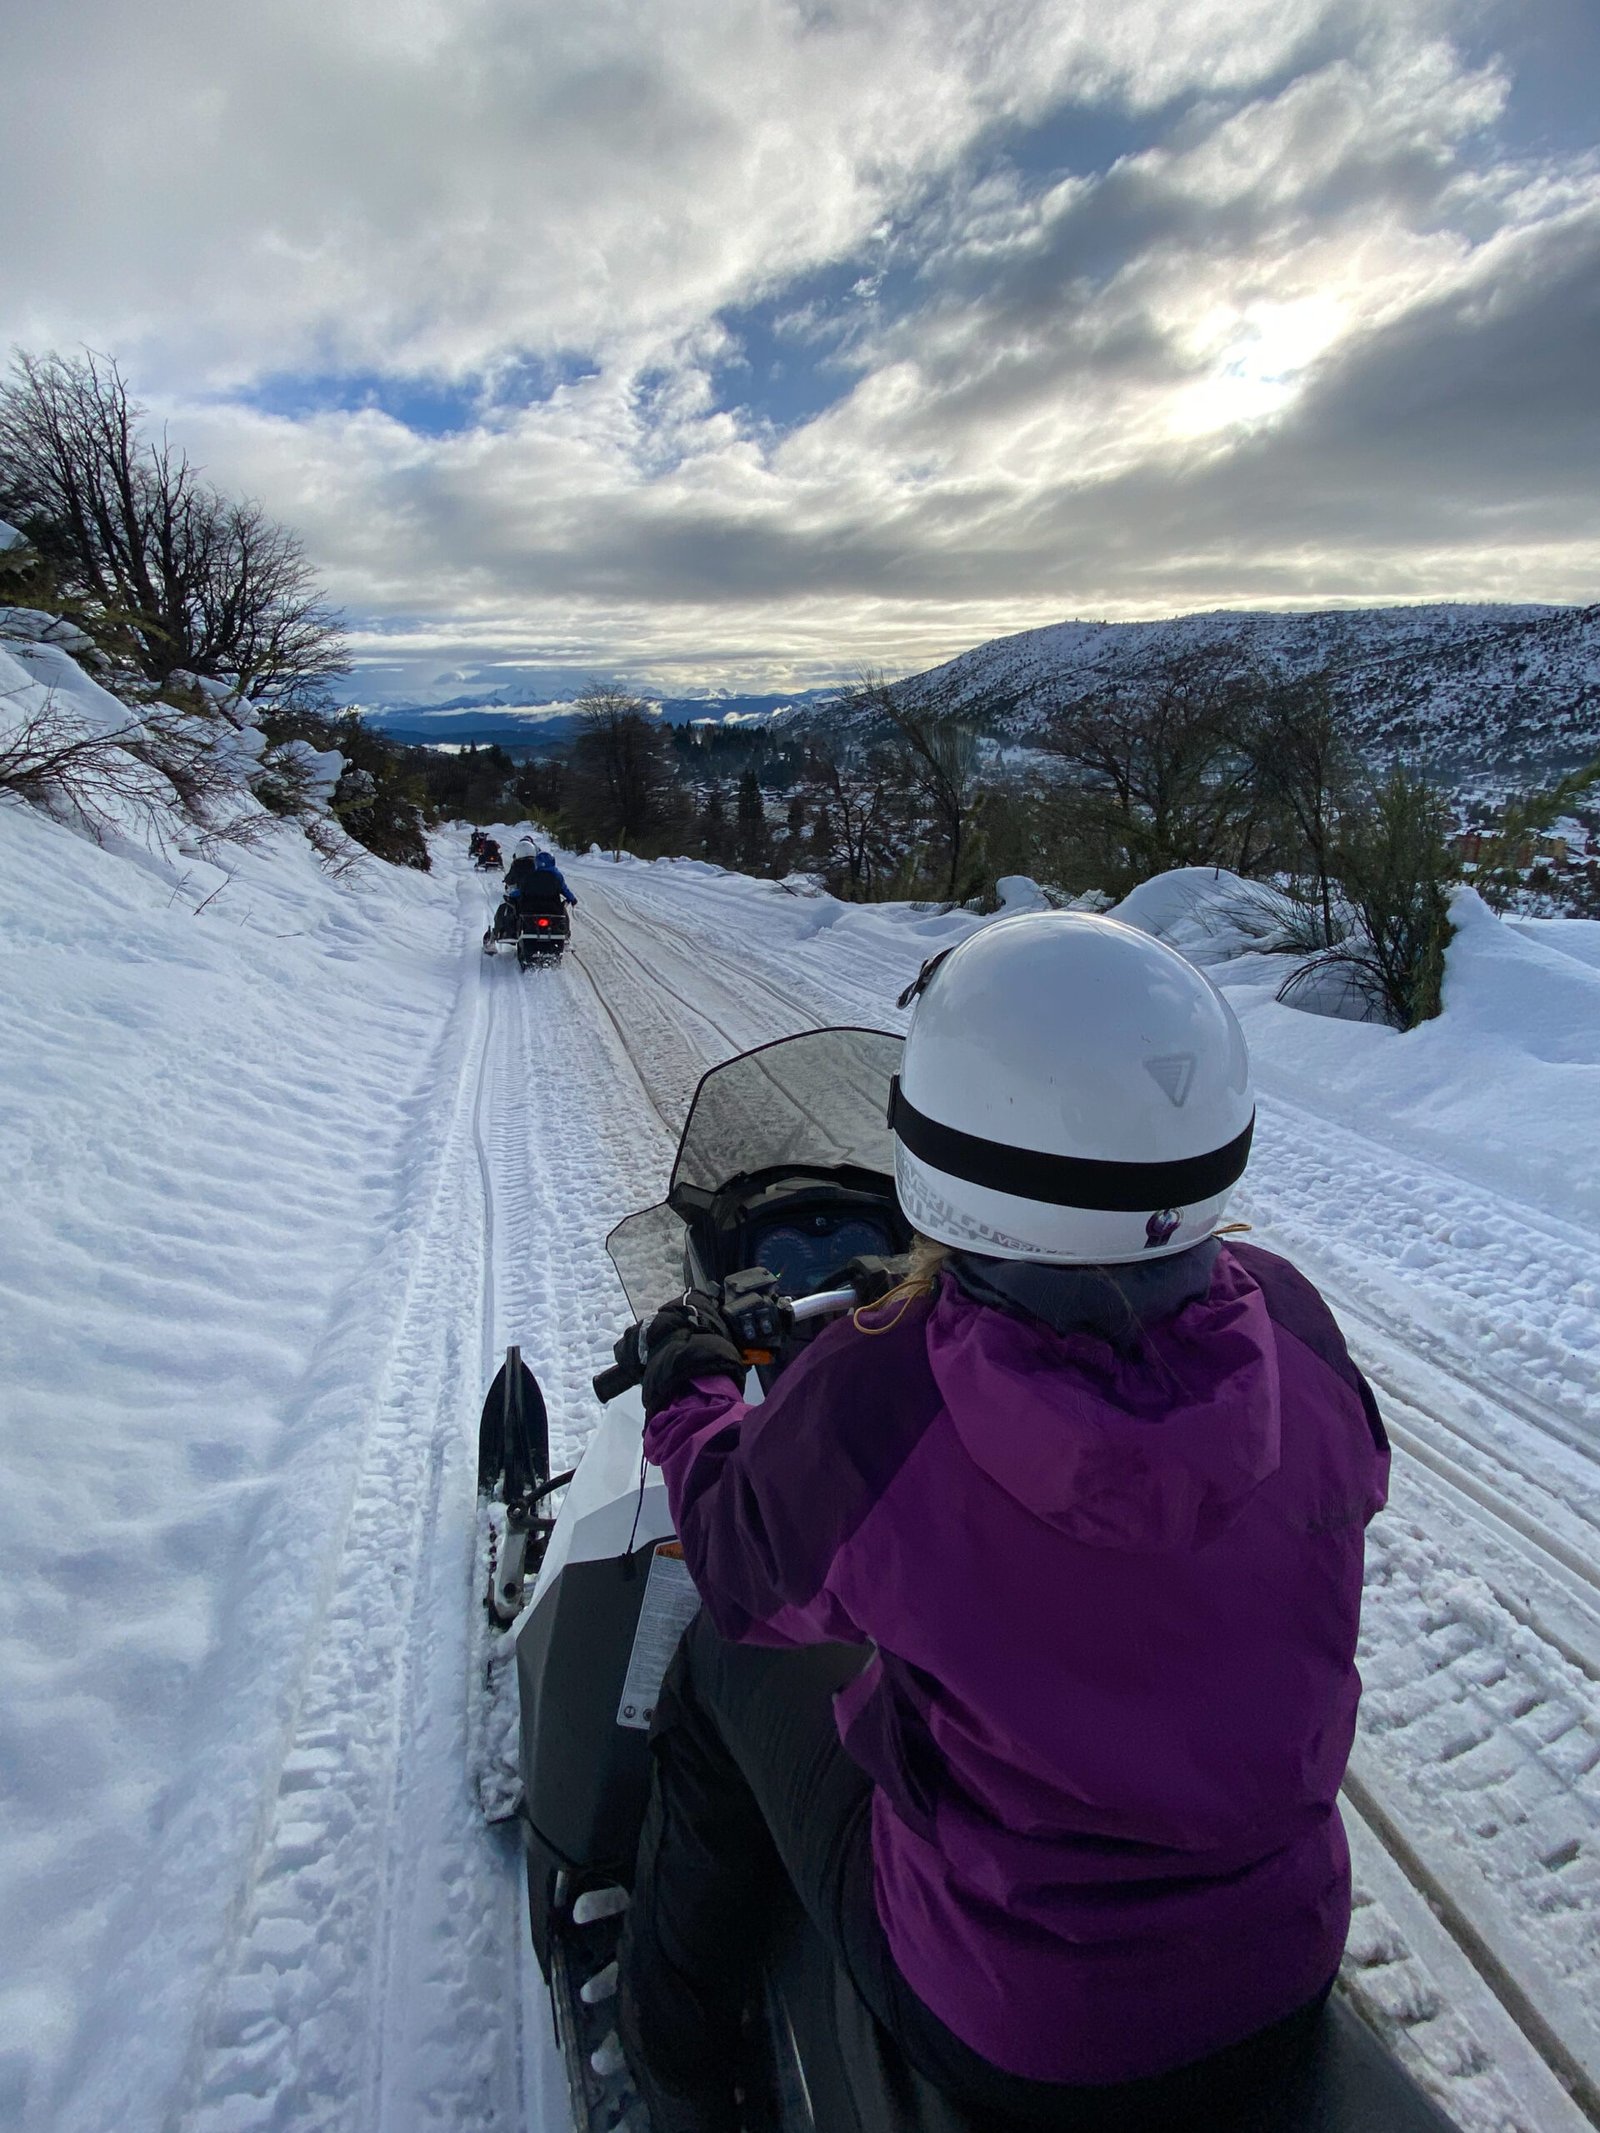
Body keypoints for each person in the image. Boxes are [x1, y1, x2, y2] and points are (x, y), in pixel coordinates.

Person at [615, 912, 1390, 2133]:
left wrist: (690, 1393)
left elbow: (736, 1568)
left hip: (1023, 2014)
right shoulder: (1292, 1322)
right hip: (1284, 1953)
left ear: (939, 1140)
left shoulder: (885, 1389)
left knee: (717, 1666)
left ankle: (674, 2065)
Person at [503, 839, 577, 908]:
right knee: (563, 915)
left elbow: (522, 889)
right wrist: (572, 899)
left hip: (531, 908)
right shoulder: (556, 875)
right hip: (553, 908)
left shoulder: (532, 875)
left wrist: (512, 896)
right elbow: (564, 889)